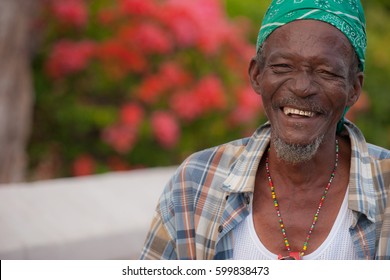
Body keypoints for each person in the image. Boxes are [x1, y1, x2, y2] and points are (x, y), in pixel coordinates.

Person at [140, 0, 390, 260]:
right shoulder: (197, 184)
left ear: (354, 88)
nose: (302, 87)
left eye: (326, 72)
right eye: (283, 67)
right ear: (257, 75)